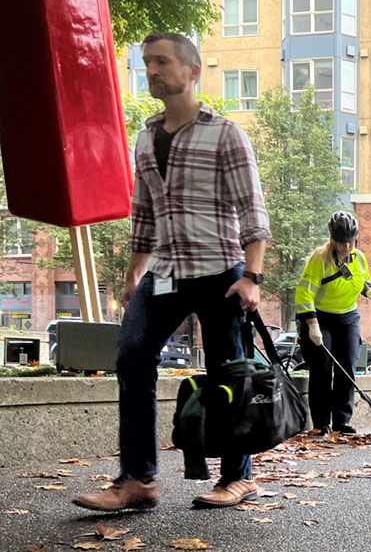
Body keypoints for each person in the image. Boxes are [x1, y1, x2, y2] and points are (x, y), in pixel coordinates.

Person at [74, 33, 270, 513]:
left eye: (162, 62)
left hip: (220, 271)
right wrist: (133, 271)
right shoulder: (144, 136)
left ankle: (237, 477)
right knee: (133, 356)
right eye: (147, 63)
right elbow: (143, 212)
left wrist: (252, 276)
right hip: (164, 271)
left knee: (228, 372)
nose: (152, 70)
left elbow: (252, 209)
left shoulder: (226, 133)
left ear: (192, 71)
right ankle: (138, 478)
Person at [294, 210, 371, 435]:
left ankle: (342, 420)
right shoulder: (320, 258)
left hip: (347, 318)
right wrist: (312, 326)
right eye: (341, 242)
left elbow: (362, 279)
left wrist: (368, 289)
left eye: (350, 241)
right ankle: (321, 424)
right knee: (322, 368)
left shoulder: (359, 257)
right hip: (320, 318)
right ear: (332, 239)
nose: (347, 246)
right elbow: (303, 294)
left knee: (347, 367)